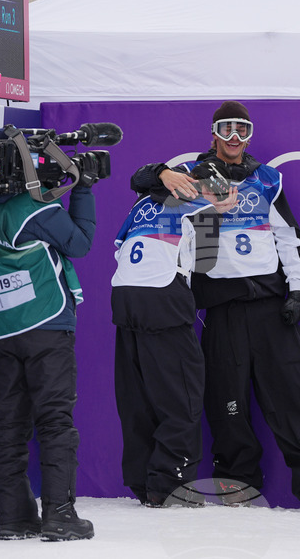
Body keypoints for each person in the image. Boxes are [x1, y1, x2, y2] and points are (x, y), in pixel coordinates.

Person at [130, 100, 300, 513]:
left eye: (242, 129)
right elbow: (137, 181)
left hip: (270, 305)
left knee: (294, 392)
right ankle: (237, 481)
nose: (234, 137)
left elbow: (288, 237)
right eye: (226, 128)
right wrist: (163, 173)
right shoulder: (193, 174)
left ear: (250, 135)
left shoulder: (267, 179)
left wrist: (297, 290)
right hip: (221, 306)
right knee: (226, 399)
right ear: (213, 133)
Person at [0, 134, 100, 542]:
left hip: (2, 325)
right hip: (45, 320)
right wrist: (82, 187)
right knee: (55, 420)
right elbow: (80, 242)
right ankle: (60, 515)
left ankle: (15, 519)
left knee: (8, 425)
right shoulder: (28, 208)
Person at [111, 161, 237, 507]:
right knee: (182, 396)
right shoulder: (197, 202)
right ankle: (169, 484)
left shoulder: (143, 201)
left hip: (124, 296)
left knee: (137, 398)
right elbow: (206, 264)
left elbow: (139, 176)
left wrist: (162, 174)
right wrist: (216, 212)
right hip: (163, 294)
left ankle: (143, 481)